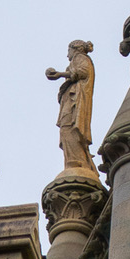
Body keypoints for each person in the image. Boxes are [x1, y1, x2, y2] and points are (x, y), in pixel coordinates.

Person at [46, 40, 97, 175]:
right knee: (65, 129)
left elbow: (83, 72)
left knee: (69, 128)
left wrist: (60, 74)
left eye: (68, 51)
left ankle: (78, 161)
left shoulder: (81, 58)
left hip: (76, 101)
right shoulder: (76, 60)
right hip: (70, 99)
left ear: (75, 49)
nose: (67, 55)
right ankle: (74, 160)